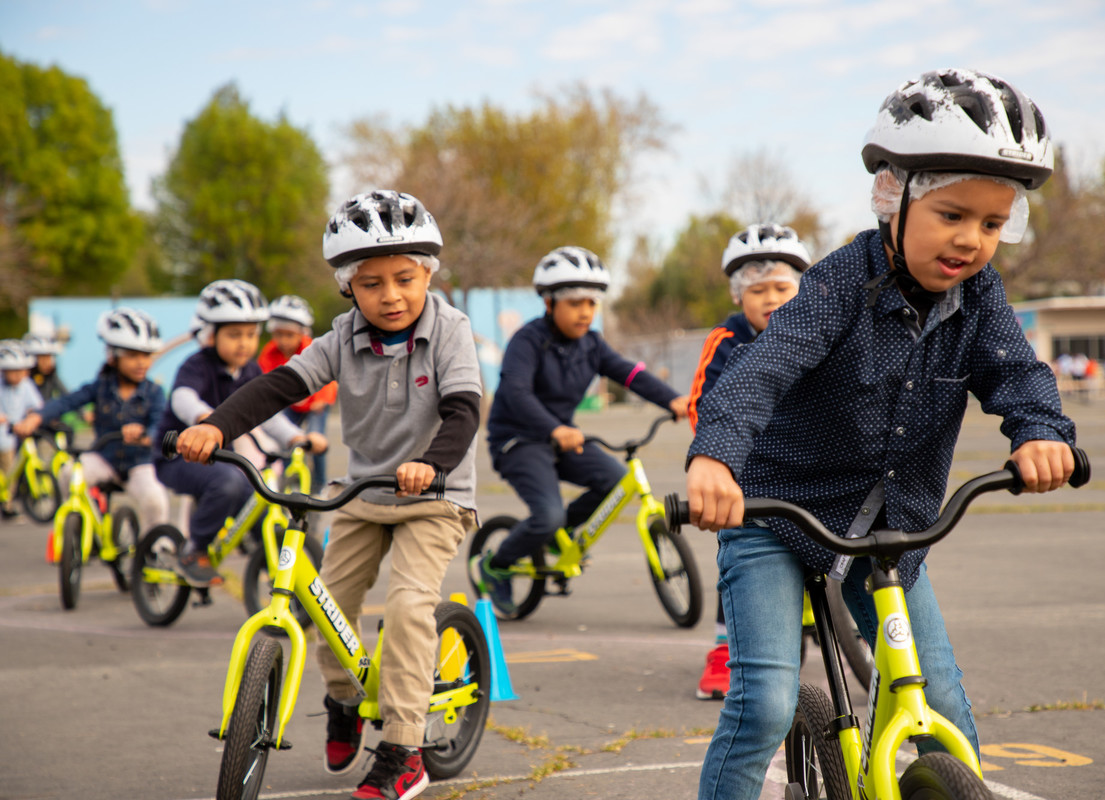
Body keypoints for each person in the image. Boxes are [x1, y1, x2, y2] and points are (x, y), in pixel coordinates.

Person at [684, 68, 1078, 799]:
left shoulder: (980, 295)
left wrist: (1039, 432)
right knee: (765, 703)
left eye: (995, 224)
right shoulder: (837, 284)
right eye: (953, 215)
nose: (973, 241)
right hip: (775, 512)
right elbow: (762, 370)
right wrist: (715, 458)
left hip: (893, 530)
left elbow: (1016, 372)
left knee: (942, 712)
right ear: (892, 198)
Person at [173, 190, 480, 800]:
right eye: (371, 284)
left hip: (435, 494)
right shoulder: (342, 338)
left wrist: (429, 464)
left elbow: (464, 411)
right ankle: (343, 702)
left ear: (428, 274)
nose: (390, 295)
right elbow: (279, 386)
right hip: (361, 492)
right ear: (348, 288)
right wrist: (215, 425)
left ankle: (403, 749)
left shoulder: (451, 329)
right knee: (328, 603)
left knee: (410, 607)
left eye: (404, 279)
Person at [472, 246, 690, 618]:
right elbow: (516, 392)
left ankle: (561, 536)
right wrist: (555, 428)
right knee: (547, 515)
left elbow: (629, 373)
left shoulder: (591, 344)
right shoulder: (527, 341)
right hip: (518, 440)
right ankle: (496, 564)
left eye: (591, 302)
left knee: (616, 481)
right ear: (549, 301)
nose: (585, 311)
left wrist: (673, 400)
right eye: (575, 302)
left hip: (562, 438)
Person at [686, 223, 812, 701]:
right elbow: (703, 401)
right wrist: (718, 460)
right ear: (739, 296)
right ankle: (725, 645)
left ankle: (861, 634)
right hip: (747, 463)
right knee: (739, 541)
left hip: (810, 457)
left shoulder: (817, 328)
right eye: (757, 290)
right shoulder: (726, 338)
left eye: (782, 287)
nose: (771, 298)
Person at [155, 279, 322, 588]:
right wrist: (204, 417)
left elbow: (266, 414)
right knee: (228, 482)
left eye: (250, 335)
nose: (244, 343)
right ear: (211, 334)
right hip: (177, 457)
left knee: (259, 496)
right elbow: (181, 397)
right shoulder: (196, 365)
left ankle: (275, 568)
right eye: (234, 335)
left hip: (218, 458)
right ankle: (196, 551)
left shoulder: (250, 371)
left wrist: (295, 437)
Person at [14, 308, 170, 528]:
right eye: (133, 355)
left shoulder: (154, 392)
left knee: (156, 501)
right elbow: (66, 402)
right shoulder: (101, 387)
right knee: (69, 474)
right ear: (113, 356)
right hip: (104, 458)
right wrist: (36, 418)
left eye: (147, 355)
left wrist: (145, 435)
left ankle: (157, 548)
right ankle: (83, 523)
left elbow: (160, 424)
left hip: (140, 464)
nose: (142, 362)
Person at [257, 294, 338, 491]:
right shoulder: (269, 353)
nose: (283, 340)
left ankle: (320, 485)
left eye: (289, 335)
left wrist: (321, 399)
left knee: (315, 441)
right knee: (286, 440)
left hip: (315, 403)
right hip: (290, 403)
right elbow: (264, 381)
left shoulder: (312, 348)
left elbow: (328, 377)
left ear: (302, 333)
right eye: (279, 334)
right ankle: (288, 480)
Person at [0, 341, 43, 518]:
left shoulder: (26, 385)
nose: (19, 375)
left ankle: (7, 504)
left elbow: (37, 405)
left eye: (22, 370)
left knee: (12, 469)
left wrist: (33, 416)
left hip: (11, 437)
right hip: (2, 434)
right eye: (14, 371)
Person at [23, 335, 68, 404]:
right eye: (42, 358)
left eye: (49, 357)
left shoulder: (51, 375)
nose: (47, 362)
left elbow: (65, 393)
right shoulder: (25, 378)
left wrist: (82, 412)